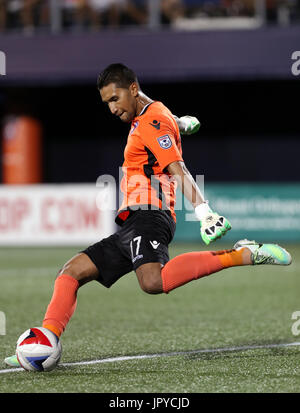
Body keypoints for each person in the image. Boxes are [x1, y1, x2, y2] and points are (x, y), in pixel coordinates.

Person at [5, 63, 292, 369]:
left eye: (115, 99)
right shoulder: (152, 114)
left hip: (151, 213)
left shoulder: (151, 120)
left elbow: (177, 169)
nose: (112, 108)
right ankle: (44, 341)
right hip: (134, 221)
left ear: (132, 89)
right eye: (106, 103)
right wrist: (180, 124)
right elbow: (161, 121)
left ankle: (242, 254)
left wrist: (204, 212)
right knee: (72, 271)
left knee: (153, 281)